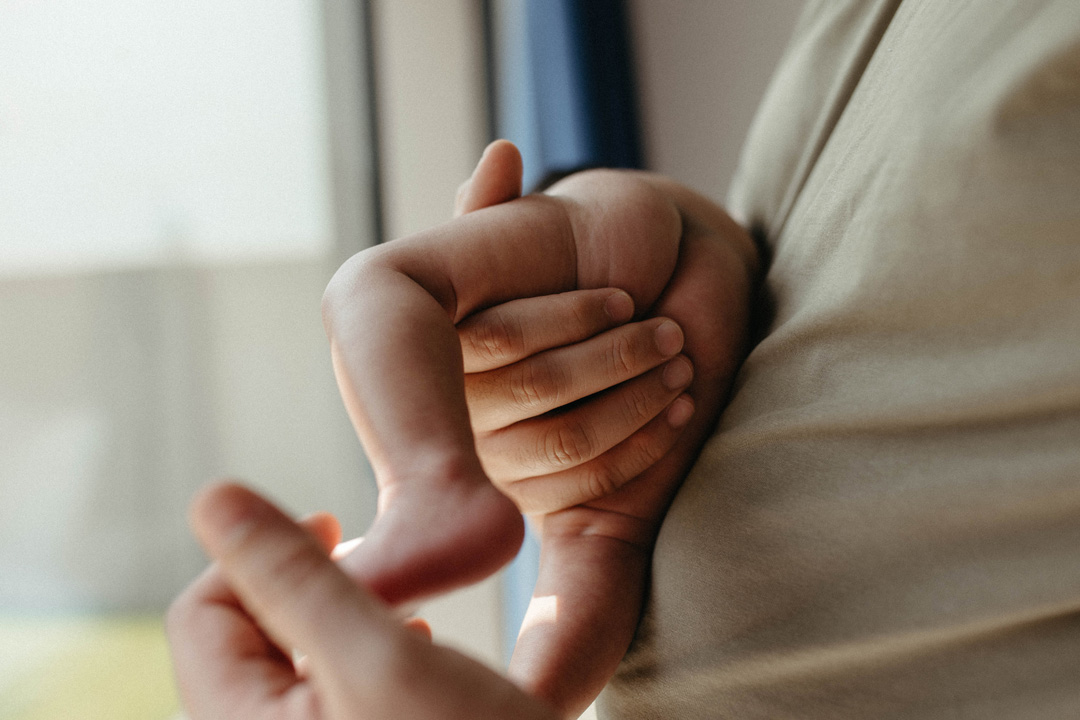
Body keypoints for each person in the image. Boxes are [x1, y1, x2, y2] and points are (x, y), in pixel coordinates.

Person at [169, 0, 1080, 717]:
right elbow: (816, 252)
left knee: (374, 283)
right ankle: (440, 500)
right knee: (590, 544)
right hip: (664, 328)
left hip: (633, 290)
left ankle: (427, 483)